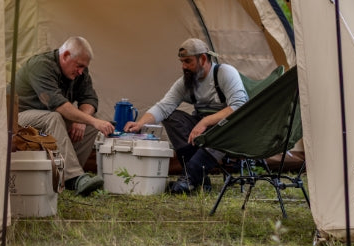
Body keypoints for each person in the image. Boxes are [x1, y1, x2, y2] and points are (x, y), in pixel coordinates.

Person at [124, 38, 248, 194]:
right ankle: (199, 179)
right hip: (201, 128)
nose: (184, 66)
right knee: (171, 116)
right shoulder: (186, 82)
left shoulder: (224, 73)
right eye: (182, 62)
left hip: (228, 128)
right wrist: (140, 123)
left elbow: (239, 106)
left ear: (203, 59)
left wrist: (206, 121)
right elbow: (163, 107)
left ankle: (189, 178)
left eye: (188, 61)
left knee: (220, 129)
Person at [15, 36, 114, 196]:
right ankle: (74, 177)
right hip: (17, 118)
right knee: (55, 117)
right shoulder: (41, 65)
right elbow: (57, 104)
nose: (81, 71)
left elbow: (90, 99)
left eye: (84, 67)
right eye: (79, 66)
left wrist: (82, 120)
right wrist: (89, 120)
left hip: (46, 118)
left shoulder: (80, 72)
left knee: (88, 125)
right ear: (66, 55)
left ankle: (68, 177)